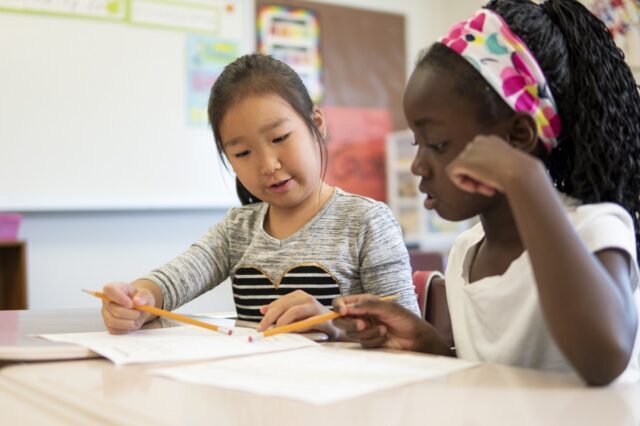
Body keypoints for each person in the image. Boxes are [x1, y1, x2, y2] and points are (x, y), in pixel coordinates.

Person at [333, 0, 640, 385]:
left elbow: (602, 359)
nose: (418, 166)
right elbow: (501, 379)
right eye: (418, 144)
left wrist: (525, 178)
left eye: (439, 144)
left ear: (518, 137)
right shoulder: (466, 252)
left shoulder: (595, 227)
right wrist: (427, 344)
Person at [100, 53, 419, 339]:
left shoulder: (366, 222)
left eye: (280, 137)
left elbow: (407, 333)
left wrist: (331, 323)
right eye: (242, 152)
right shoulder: (237, 230)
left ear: (317, 124)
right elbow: (175, 280)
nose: (268, 165)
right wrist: (137, 300)